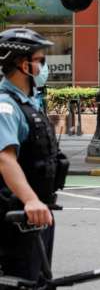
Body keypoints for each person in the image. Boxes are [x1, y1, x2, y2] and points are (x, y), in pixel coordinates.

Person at [0, 28, 68, 287]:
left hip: (37, 216)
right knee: (22, 282)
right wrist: (30, 200)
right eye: (39, 61)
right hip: (17, 215)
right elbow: (5, 158)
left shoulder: (28, 103)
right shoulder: (5, 106)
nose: (43, 67)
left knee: (39, 282)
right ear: (21, 63)